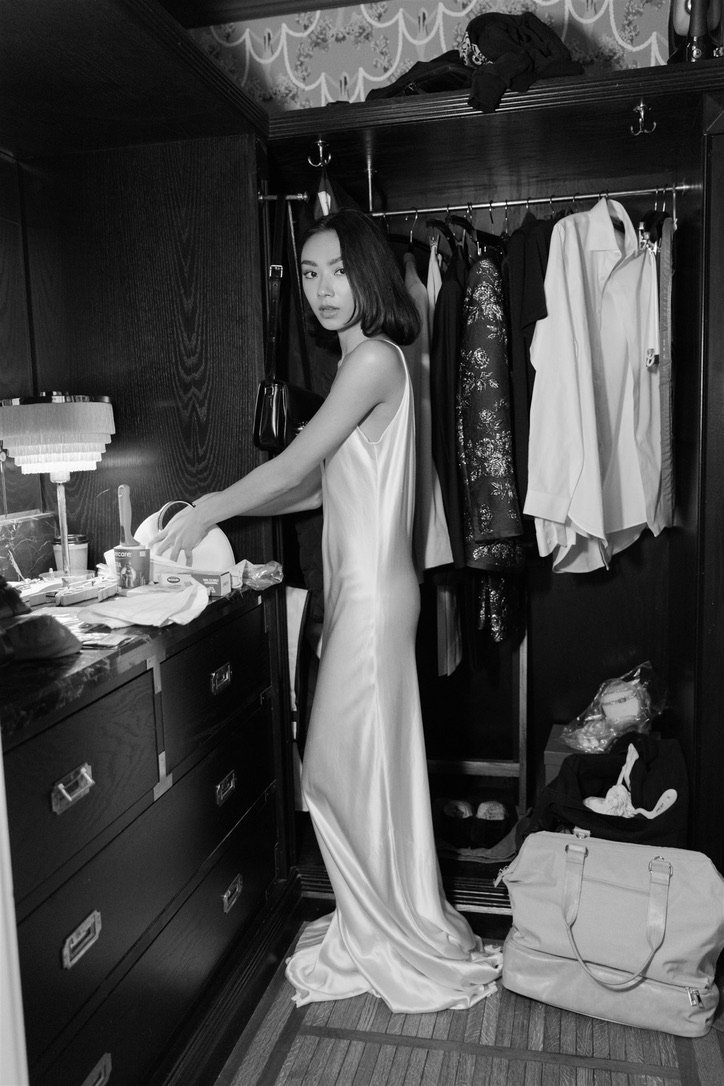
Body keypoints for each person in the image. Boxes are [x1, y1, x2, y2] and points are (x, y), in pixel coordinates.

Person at [152, 206, 503, 1012]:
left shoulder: (375, 359)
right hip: (364, 596)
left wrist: (206, 509)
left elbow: (299, 462)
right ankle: (379, 920)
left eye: (338, 270)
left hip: (376, 603)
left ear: (370, 273)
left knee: (338, 773)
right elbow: (321, 483)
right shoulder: (366, 364)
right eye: (309, 274)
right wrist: (243, 531)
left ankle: (388, 933)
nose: (321, 289)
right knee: (361, 772)